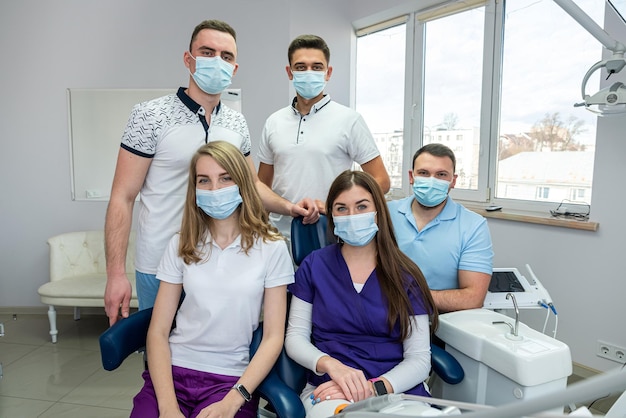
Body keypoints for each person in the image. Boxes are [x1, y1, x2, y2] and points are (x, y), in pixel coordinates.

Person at [104, 20, 316, 325]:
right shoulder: (149, 116)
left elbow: (250, 185)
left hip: (220, 262)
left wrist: (289, 207)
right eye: (207, 52)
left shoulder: (236, 123)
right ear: (189, 60)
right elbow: (122, 196)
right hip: (160, 261)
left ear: (234, 67)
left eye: (226, 56)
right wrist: (115, 274)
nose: (218, 61)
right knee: (160, 354)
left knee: (216, 357)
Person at [130, 141, 294, 418]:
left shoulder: (272, 247)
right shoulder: (181, 244)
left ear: (242, 183)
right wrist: (168, 407)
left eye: (225, 178)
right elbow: (157, 332)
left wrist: (233, 401)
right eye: (204, 180)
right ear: (194, 189)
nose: (215, 189)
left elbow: (273, 338)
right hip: (173, 373)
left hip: (231, 380)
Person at [285, 170, 437, 418]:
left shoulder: (406, 274)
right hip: (332, 389)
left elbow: (419, 360)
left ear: (378, 212)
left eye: (362, 206)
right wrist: (333, 367)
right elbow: (295, 339)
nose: (352, 216)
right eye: (342, 208)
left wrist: (373, 387)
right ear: (332, 216)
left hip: (395, 389)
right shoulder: (314, 266)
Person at [257, 34, 390, 239]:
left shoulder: (349, 120)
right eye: (301, 67)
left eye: (317, 67)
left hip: (332, 234)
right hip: (279, 236)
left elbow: (381, 181)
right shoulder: (273, 122)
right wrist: (259, 231)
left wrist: (335, 206)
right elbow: (261, 186)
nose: (309, 72)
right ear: (289, 72)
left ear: (328, 73)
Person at [388, 143, 493, 313]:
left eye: (441, 175)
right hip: (382, 316)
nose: (431, 181)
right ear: (411, 176)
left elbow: (473, 298)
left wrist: (408, 297)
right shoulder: (387, 213)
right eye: (423, 173)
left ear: (453, 181)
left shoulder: (473, 226)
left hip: (438, 324)